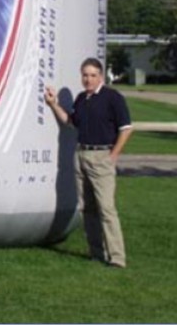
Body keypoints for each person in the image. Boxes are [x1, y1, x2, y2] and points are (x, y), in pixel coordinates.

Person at [44, 57, 133, 268]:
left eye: (93, 75)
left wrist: (113, 155)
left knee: (107, 209)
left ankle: (117, 258)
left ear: (100, 76)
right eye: (85, 75)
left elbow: (127, 129)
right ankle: (96, 253)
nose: (88, 79)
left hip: (102, 157)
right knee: (87, 208)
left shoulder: (113, 98)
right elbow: (70, 122)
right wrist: (53, 104)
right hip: (81, 154)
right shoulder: (82, 99)